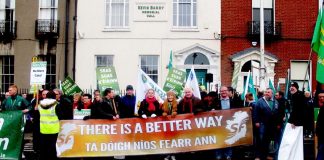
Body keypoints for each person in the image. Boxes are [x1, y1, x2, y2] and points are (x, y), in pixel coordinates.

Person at [214, 86, 240, 160]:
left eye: (225, 91)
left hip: (230, 124)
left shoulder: (234, 100)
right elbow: (210, 110)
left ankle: (228, 155)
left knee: (229, 139)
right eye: (222, 91)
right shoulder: (216, 101)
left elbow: (241, 109)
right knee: (219, 139)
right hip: (219, 124)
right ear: (220, 92)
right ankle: (218, 155)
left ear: (228, 91)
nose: (223, 92)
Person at [254, 88, 280, 160]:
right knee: (261, 140)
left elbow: (277, 113)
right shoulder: (259, 101)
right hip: (262, 124)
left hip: (272, 125)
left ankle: (267, 155)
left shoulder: (276, 102)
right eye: (266, 92)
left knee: (269, 141)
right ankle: (258, 156)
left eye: (268, 92)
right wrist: (256, 121)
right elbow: (256, 112)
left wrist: (278, 123)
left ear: (272, 94)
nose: (266, 93)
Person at [38, 90, 63, 160]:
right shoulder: (56, 104)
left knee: (44, 146)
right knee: (52, 146)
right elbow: (60, 116)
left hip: (43, 128)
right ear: (54, 96)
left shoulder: (40, 104)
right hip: (53, 129)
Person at [316, 90, 324, 160]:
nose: (321, 98)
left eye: (323, 97)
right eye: (320, 97)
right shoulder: (321, 107)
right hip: (321, 135)